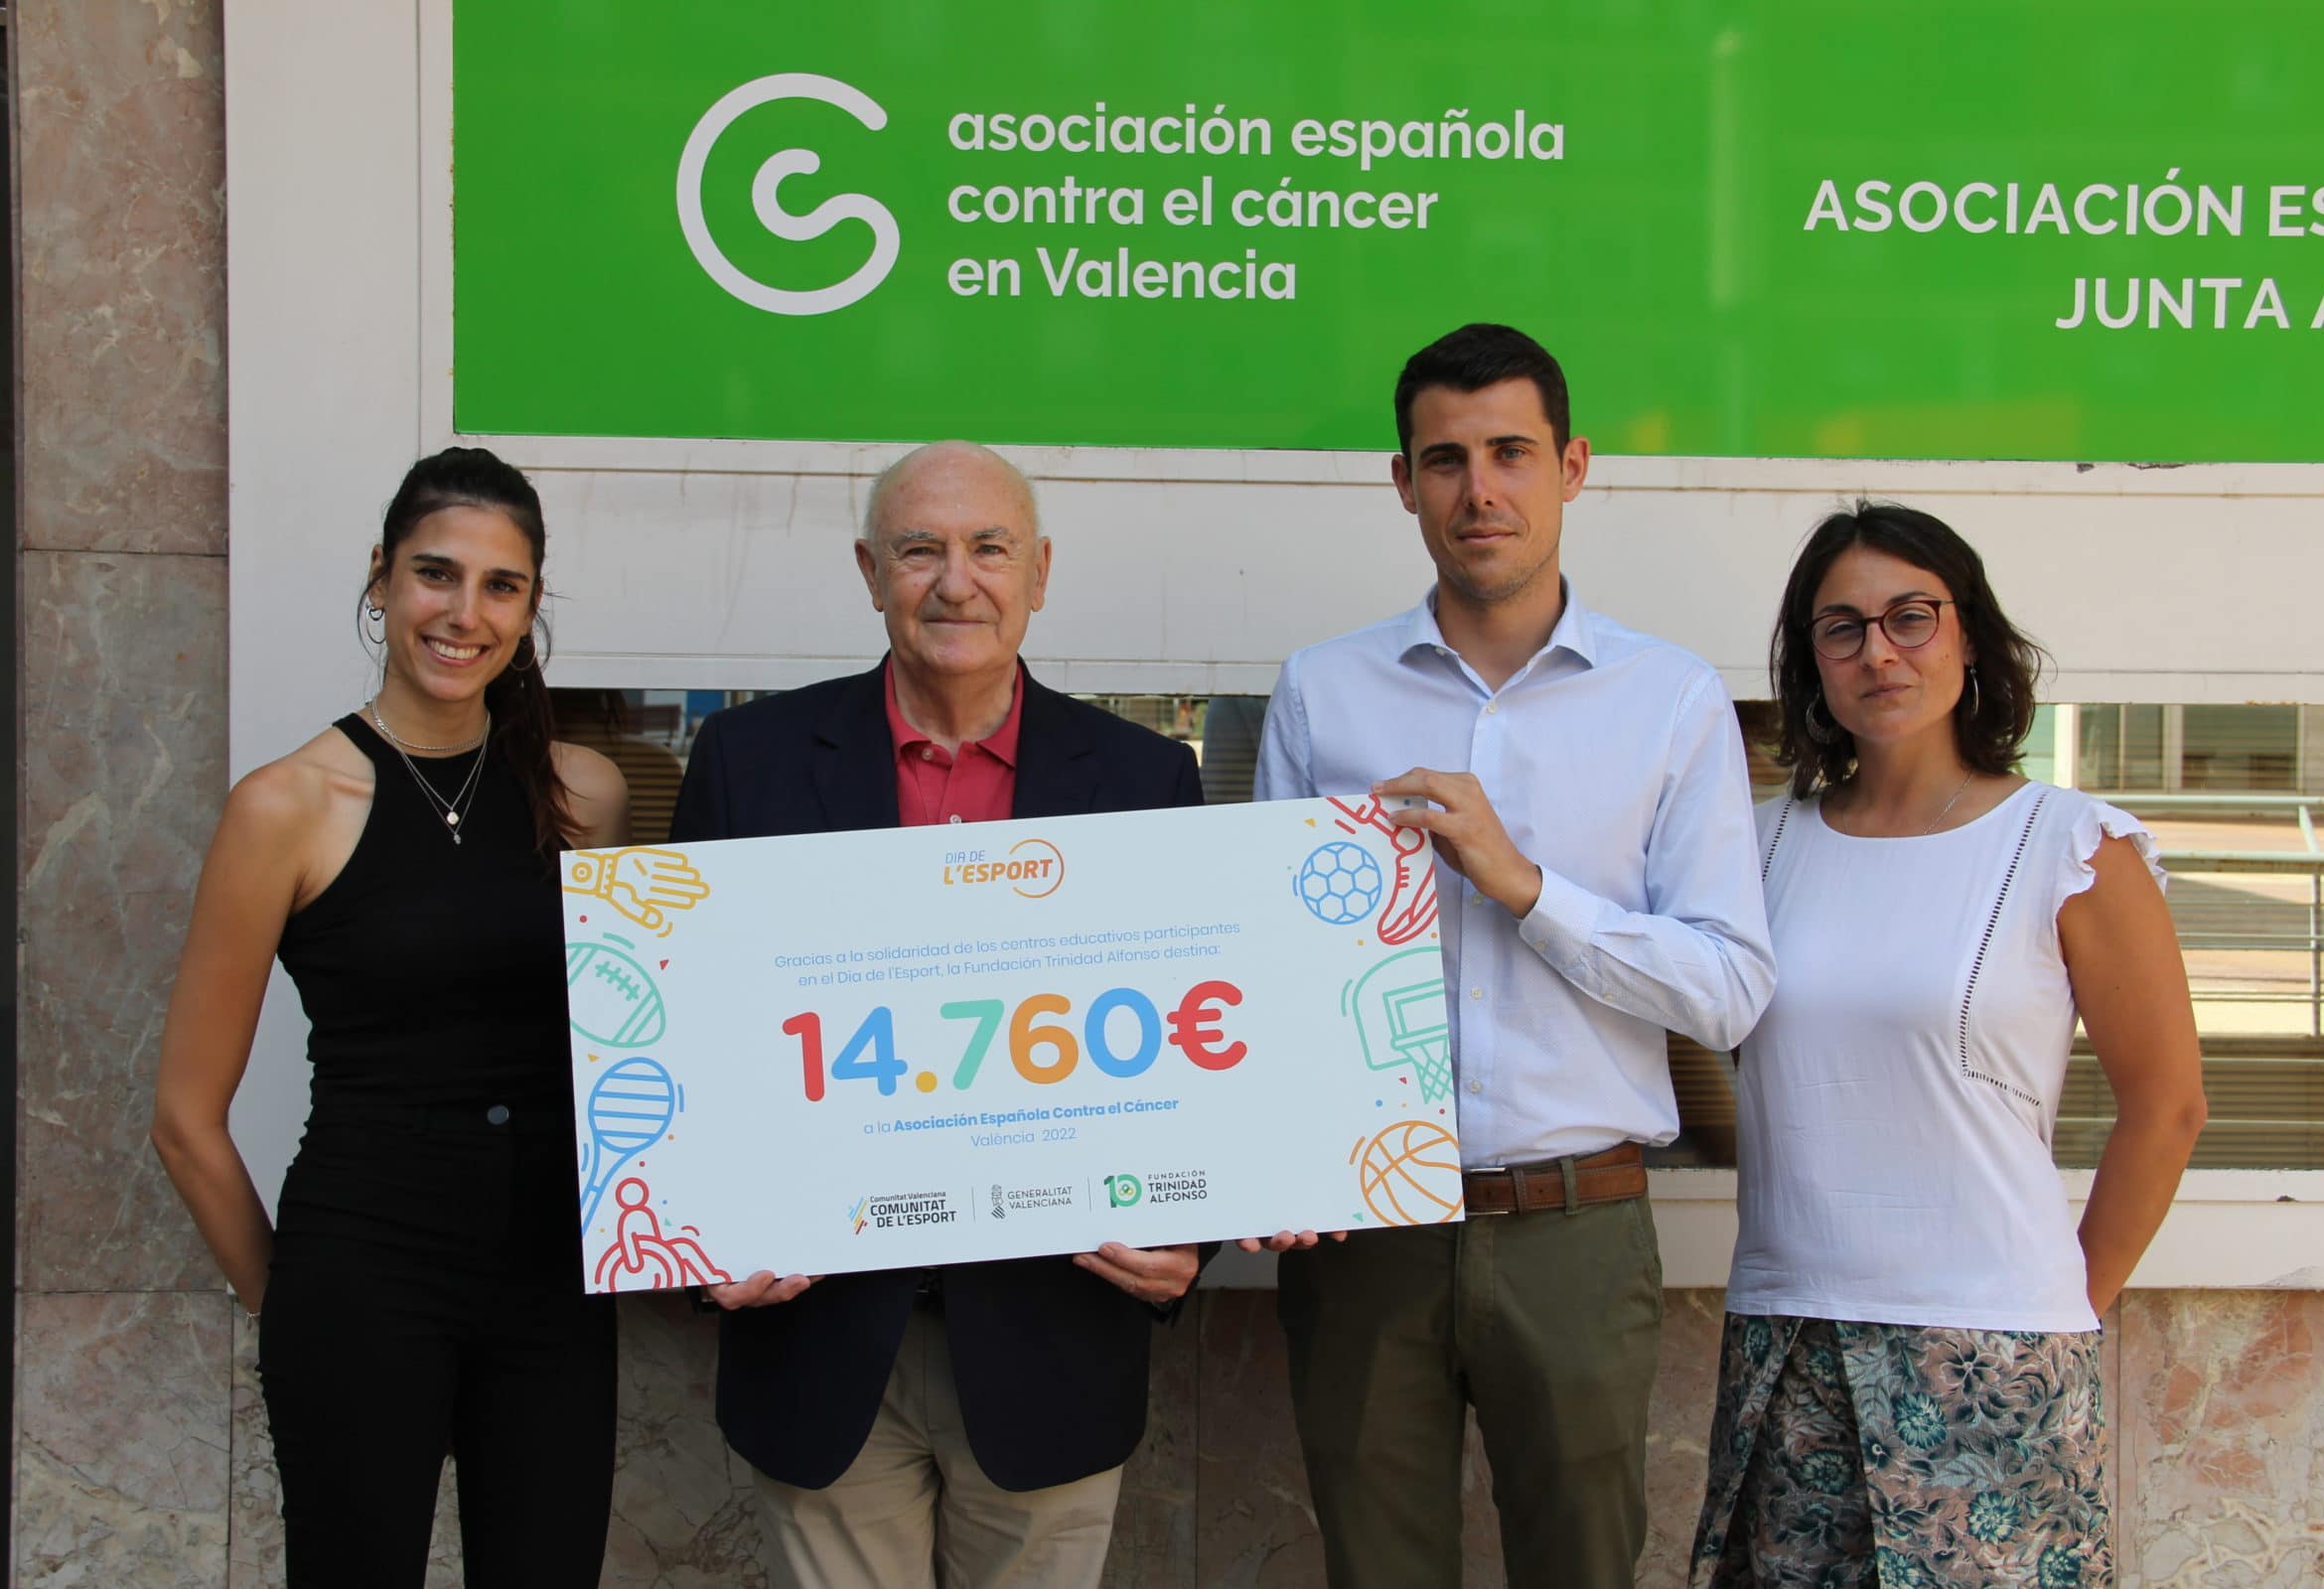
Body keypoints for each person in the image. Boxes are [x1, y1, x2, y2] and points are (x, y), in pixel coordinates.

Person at [1252, 323, 1777, 1587]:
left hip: (1575, 1227)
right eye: (1445, 459)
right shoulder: (1323, 691)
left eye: (1510, 453)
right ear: (1403, 482)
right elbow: (1271, 979)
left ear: (1572, 466)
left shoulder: (1669, 699)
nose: (1478, 490)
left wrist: (1528, 888)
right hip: (1367, 1237)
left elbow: (1730, 987)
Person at [669, 439, 1208, 1589]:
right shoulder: (747, 762)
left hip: (1053, 1337)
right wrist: (697, 1225)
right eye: (920, 550)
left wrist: (1192, 1236)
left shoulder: (1145, 779)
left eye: (989, 548)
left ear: (1040, 572)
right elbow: (691, 1032)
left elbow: (1195, 1042)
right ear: (871, 572)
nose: (956, 582)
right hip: (819, 1341)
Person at [1690, 502, 2207, 1588]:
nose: (1878, 652)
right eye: (1842, 628)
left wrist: (2063, 1308)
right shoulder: (1755, 840)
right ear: (1812, 662)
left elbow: (2168, 1106)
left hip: (1994, 1352)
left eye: (1910, 617)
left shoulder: (2071, 844)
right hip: (1791, 1339)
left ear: (1969, 635)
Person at [149, 448, 631, 1585]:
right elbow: (183, 1117)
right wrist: (290, 1304)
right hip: (363, 1271)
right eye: (435, 573)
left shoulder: (585, 796)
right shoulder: (285, 805)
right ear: (381, 577)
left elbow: (640, 1040)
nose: (465, 613)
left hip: (553, 1281)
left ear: (530, 606)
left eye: (501, 585)